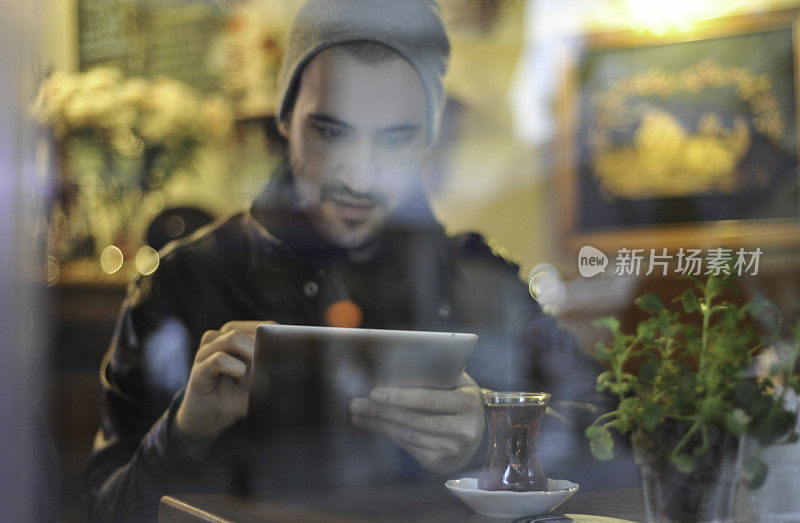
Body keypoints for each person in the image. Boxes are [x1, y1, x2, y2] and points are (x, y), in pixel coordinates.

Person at [83, 1, 606, 521]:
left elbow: (614, 441)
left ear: (428, 135)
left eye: (395, 137)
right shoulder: (184, 281)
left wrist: (489, 440)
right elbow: (103, 511)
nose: (358, 175)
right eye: (331, 132)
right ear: (286, 116)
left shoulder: (480, 277)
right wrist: (183, 435)